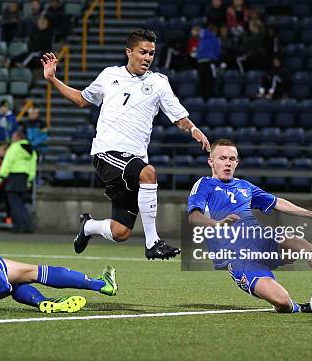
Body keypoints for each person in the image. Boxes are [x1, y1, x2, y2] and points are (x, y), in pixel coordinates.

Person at [42, 29, 211, 260]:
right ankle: (153, 243)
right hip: (106, 153)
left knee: (121, 232)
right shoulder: (109, 75)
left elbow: (179, 117)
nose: (148, 58)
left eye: (151, 53)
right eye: (143, 52)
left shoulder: (159, 83)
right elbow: (82, 99)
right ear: (129, 52)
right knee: (149, 173)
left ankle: (88, 226)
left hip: (134, 159)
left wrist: (194, 129)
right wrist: (52, 79)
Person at [187, 139, 312, 313]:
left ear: (237, 163)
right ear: (211, 161)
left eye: (232, 159)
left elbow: (277, 202)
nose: (228, 163)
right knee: (282, 302)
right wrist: (216, 223)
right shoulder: (205, 185)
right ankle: (297, 306)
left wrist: (310, 214)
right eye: (222, 158)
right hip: (238, 258)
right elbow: (194, 216)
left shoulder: (244, 186)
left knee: (294, 240)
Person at [0, 130, 37, 233]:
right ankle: (28, 226)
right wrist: (29, 180)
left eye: (13, 137)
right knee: (20, 203)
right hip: (24, 177)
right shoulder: (31, 150)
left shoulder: (15, 147)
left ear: (17, 137)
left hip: (14, 176)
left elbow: (8, 162)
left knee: (14, 204)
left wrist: (1, 176)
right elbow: (32, 167)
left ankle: (19, 226)